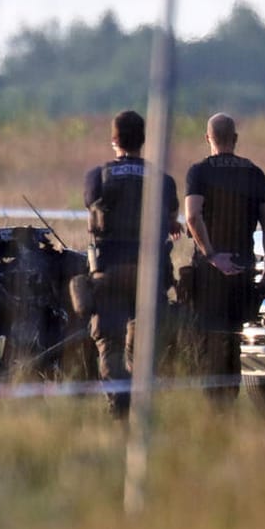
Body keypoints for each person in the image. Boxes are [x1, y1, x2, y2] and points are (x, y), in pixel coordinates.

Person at [83, 109, 179, 417]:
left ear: (114, 140)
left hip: (108, 272)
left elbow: (92, 206)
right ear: (144, 140)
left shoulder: (97, 177)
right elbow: (171, 217)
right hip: (150, 274)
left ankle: (119, 405)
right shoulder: (163, 181)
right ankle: (140, 403)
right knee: (144, 343)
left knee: (108, 343)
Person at [183, 112, 265, 404]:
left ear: (207, 138)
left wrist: (211, 255)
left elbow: (192, 215)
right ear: (235, 139)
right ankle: (228, 405)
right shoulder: (255, 174)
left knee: (207, 341)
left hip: (209, 274)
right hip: (242, 269)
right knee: (233, 342)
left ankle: (214, 408)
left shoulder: (198, 172)